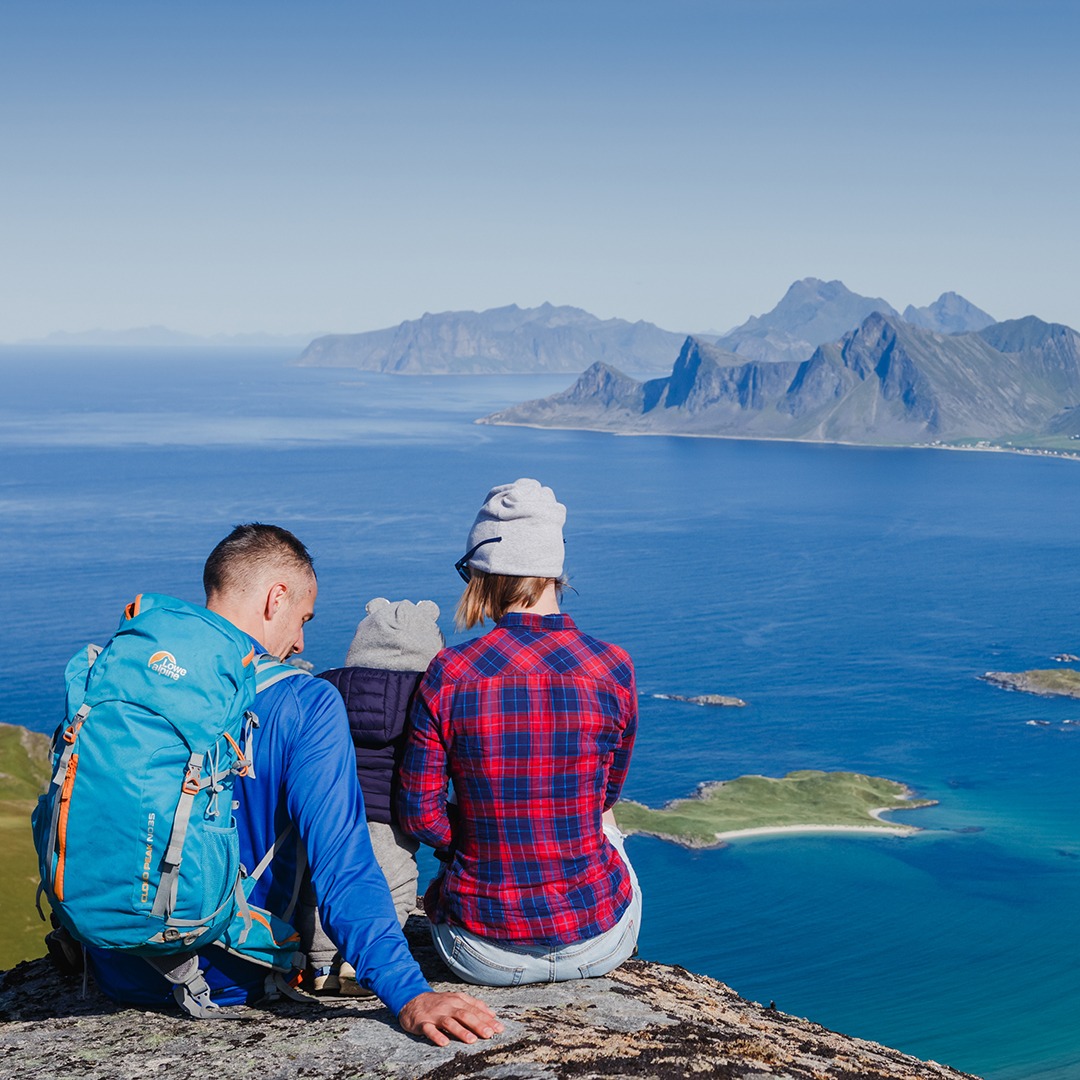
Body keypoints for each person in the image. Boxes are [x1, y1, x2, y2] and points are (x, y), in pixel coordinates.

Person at [89, 523, 501, 1046]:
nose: (301, 641)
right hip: (229, 977)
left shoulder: (123, 671)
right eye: (303, 618)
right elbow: (344, 864)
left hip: (113, 963)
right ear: (275, 596)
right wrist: (409, 993)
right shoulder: (304, 702)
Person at [398, 479, 642, 985]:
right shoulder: (614, 667)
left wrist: (479, 838)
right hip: (598, 942)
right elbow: (604, 798)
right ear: (554, 572)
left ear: (484, 573)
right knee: (606, 822)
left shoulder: (451, 671)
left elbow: (420, 816)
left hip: (482, 952)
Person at [299, 597, 444, 993]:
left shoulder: (327, 685)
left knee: (322, 885)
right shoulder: (429, 696)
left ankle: (319, 964)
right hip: (393, 816)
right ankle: (360, 961)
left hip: (333, 810)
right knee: (393, 884)